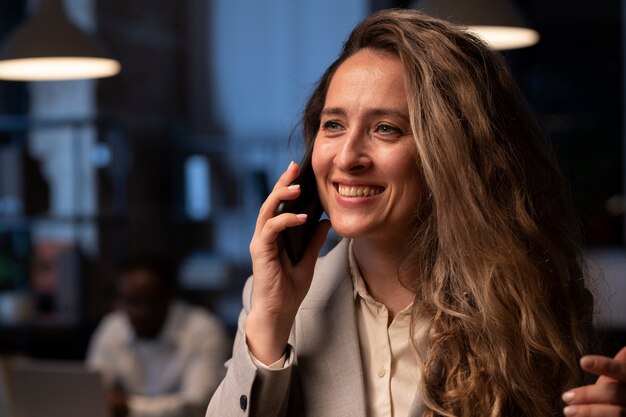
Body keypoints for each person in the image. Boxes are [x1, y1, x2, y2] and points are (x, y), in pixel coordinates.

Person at [206, 9, 626, 417]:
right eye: (333, 125)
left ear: (451, 151)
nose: (347, 157)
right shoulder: (272, 302)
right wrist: (271, 321)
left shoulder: (531, 297)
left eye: (385, 128)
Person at [86, 257, 230, 417]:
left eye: (144, 302)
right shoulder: (112, 327)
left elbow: (198, 405)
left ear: (168, 298)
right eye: (128, 301)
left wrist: (127, 408)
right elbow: (92, 391)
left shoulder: (203, 330)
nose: (135, 312)